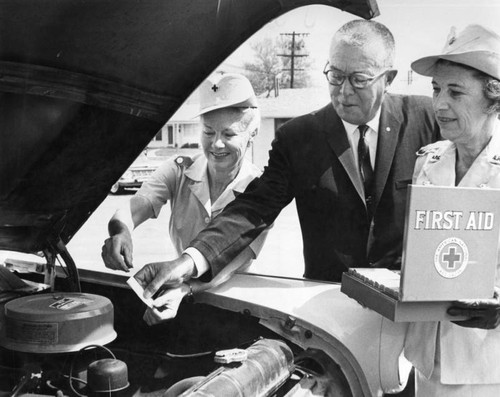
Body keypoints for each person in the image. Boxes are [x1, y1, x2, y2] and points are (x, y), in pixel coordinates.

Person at [133, 19, 440, 302]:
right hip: (331, 306)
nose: (344, 91)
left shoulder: (428, 121)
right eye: (335, 75)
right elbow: (252, 210)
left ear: (388, 79)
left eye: (359, 79)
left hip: (411, 306)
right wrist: (188, 262)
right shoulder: (299, 137)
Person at [101, 73, 268, 323]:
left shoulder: (261, 189)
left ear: (252, 134)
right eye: (208, 132)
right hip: (179, 293)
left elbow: (233, 261)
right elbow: (135, 207)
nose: (216, 144)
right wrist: (120, 231)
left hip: (236, 304)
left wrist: (184, 288)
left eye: (229, 134)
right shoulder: (179, 169)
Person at [402, 24, 500, 396]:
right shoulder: (429, 161)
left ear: (494, 97)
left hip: (486, 367)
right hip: (426, 358)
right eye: (436, 89)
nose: (440, 104)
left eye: (455, 92)